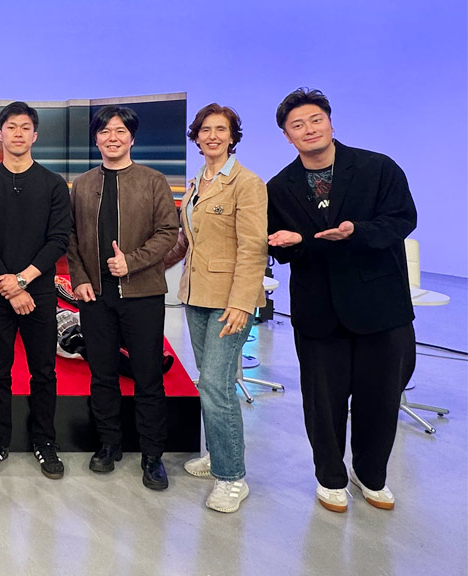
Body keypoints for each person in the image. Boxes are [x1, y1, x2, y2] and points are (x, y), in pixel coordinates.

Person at [267, 88, 416, 513]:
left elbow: (402, 219)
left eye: (315, 120)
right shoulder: (279, 186)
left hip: (378, 305)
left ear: (330, 123)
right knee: (323, 402)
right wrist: (290, 243)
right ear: (287, 136)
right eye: (297, 125)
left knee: (380, 399)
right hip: (318, 309)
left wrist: (357, 232)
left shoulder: (377, 168)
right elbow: (280, 245)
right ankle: (330, 477)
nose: (309, 129)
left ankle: (371, 475)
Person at [66, 105, 178, 490]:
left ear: (132, 138)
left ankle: (152, 455)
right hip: (95, 297)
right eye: (104, 131)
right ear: (96, 139)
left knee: (148, 377)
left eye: (120, 131)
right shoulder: (82, 185)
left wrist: (131, 261)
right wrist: (80, 278)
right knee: (102, 375)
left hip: (143, 294)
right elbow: (70, 237)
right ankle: (108, 444)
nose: (112, 137)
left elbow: (168, 232)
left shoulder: (153, 181)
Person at [164, 104, 268, 511]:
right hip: (196, 296)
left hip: (229, 303)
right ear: (196, 136)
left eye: (220, 129)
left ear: (232, 136)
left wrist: (242, 304)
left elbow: (253, 248)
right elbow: (185, 242)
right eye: (205, 129)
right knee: (208, 381)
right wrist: (145, 265)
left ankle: (232, 477)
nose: (212, 136)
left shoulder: (247, 183)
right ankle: (218, 455)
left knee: (216, 386)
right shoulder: (197, 184)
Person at [0, 101, 71, 479]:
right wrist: (10, 287)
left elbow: (58, 240)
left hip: (40, 293)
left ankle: (44, 441)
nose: (18, 133)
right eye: (11, 127)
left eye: (25, 127)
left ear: (35, 135)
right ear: (0, 134)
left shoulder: (53, 184)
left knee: (43, 371)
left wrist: (24, 280)